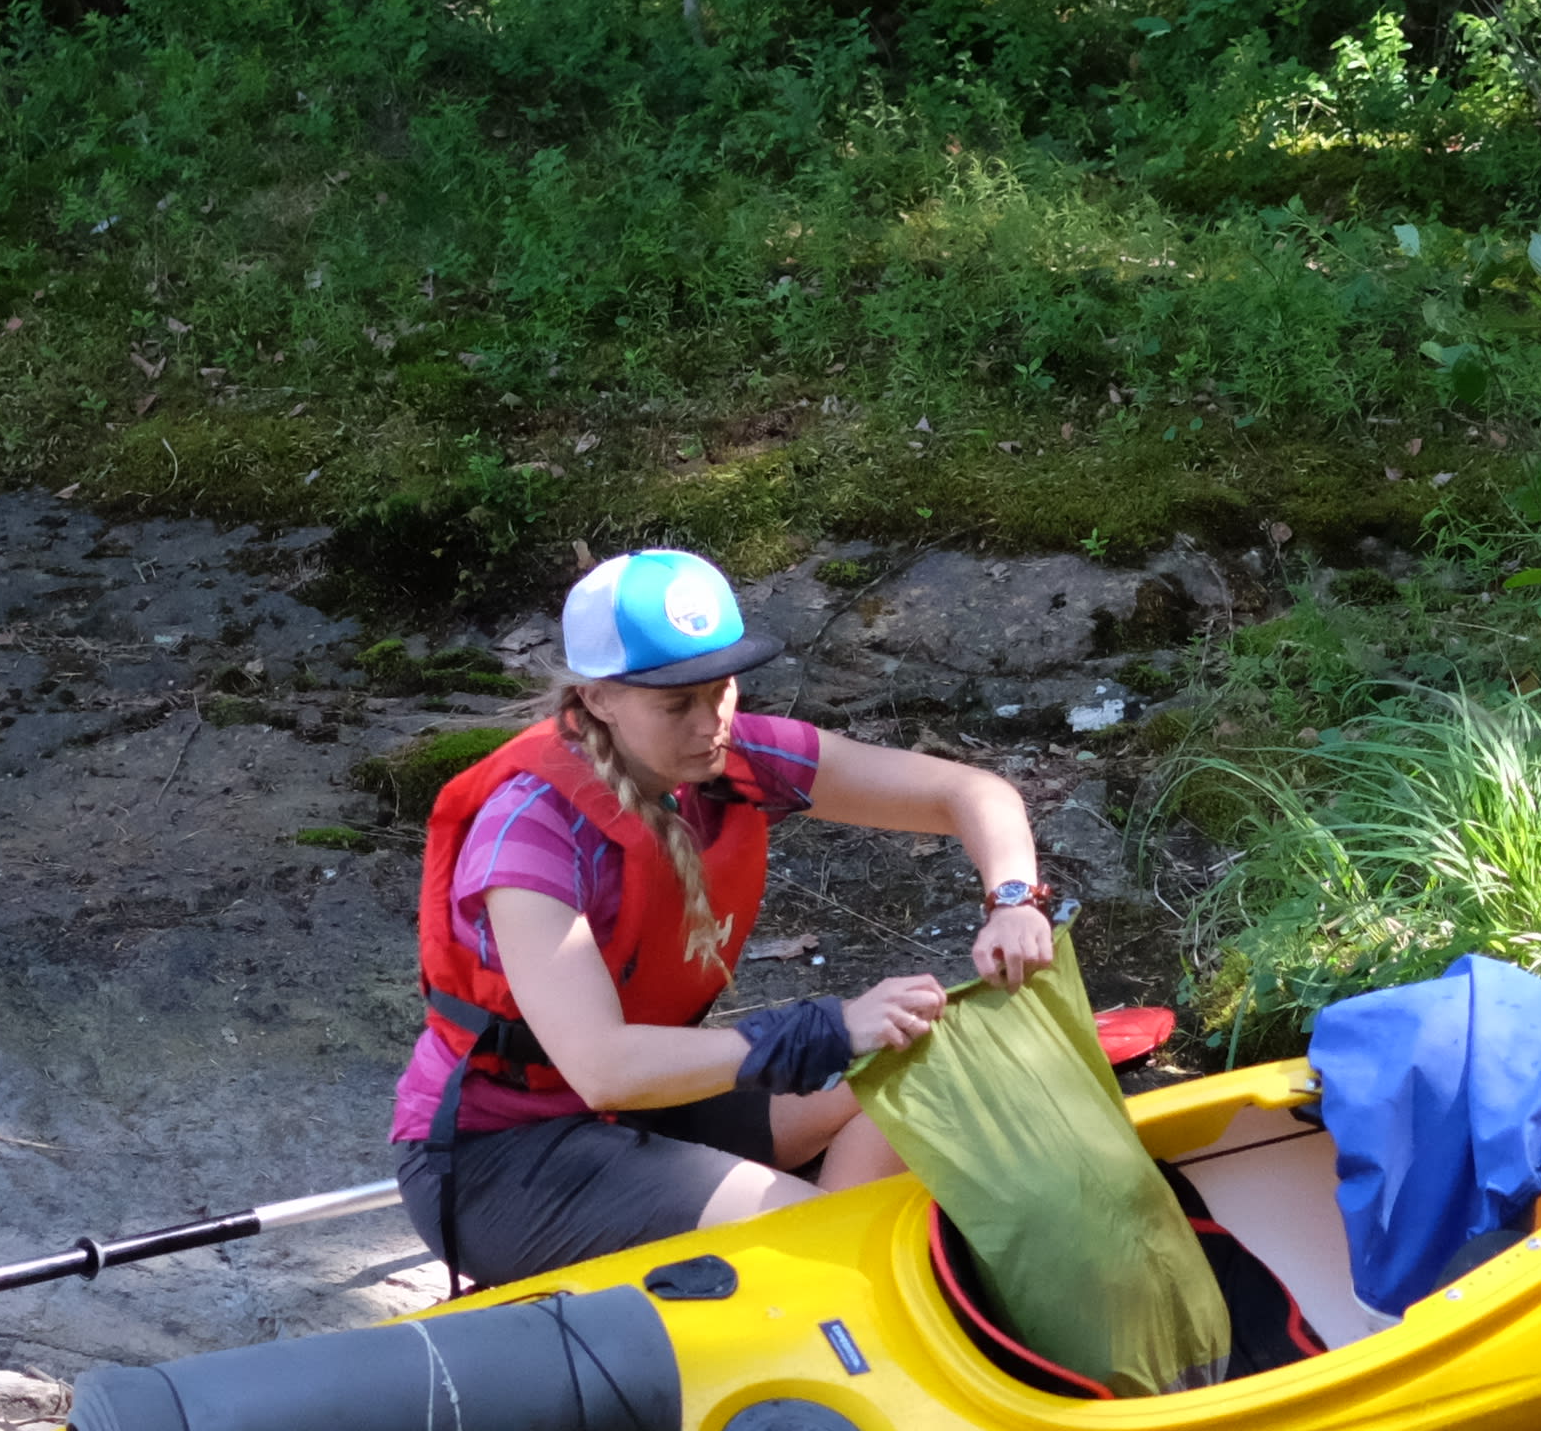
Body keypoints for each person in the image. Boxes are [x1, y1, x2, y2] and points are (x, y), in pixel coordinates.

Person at [389, 546, 1061, 1285]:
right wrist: (828, 1028)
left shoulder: (730, 756)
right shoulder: (531, 830)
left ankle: (836, 1274)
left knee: (927, 1075)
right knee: (836, 1233)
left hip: (654, 1108)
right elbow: (606, 1070)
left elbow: (969, 794)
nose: (712, 722)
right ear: (598, 698)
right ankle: (832, 1275)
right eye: (676, 703)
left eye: (722, 688)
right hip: (504, 1158)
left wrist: (1012, 901)